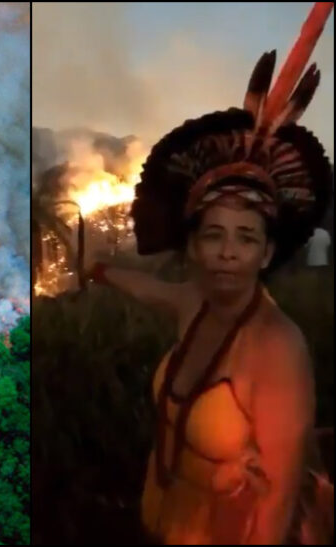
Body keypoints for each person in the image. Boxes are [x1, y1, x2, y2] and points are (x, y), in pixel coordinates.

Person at [85, 3, 333, 543]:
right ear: (193, 246)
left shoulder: (275, 349)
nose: (227, 253)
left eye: (245, 238)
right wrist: (99, 272)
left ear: (267, 254)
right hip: (166, 524)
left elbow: (278, 501)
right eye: (213, 235)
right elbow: (152, 288)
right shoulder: (196, 304)